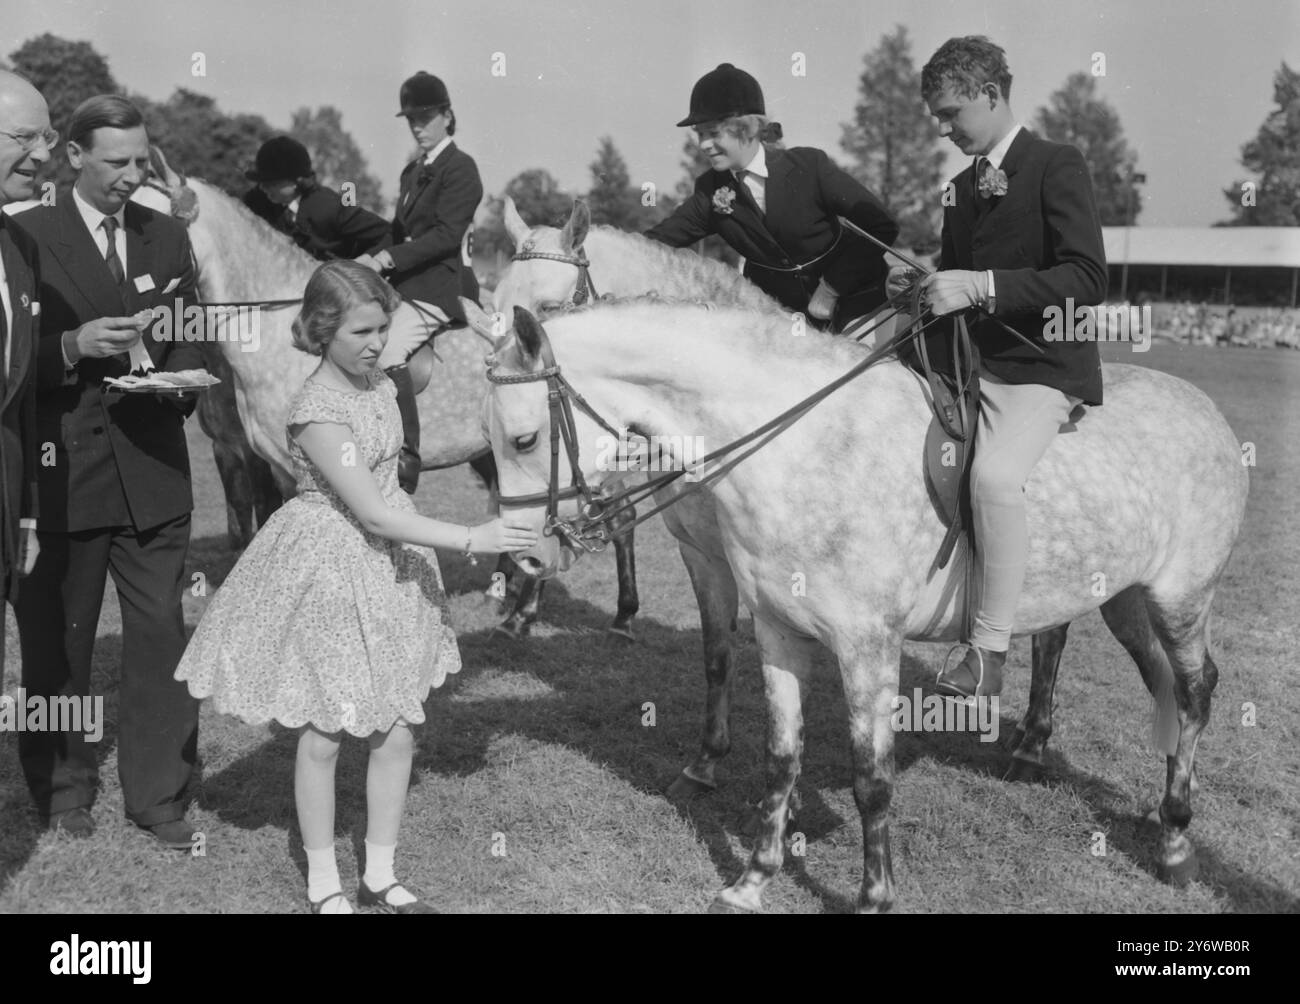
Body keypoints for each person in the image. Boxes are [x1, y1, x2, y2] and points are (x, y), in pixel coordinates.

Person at [174, 260, 537, 914]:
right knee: (328, 729)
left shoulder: (377, 382)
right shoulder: (316, 409)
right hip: (333, 564)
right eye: (362, 332)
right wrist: (473, 539)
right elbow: (369, 511)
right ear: (321, 330)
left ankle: (380, 876)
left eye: (382, 329)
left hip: (391, 564)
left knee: (397, 727)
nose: (376, 344)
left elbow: (427, 385)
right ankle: (322, 881)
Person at [11, 94, 208, 845]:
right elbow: (10, 359)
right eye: (116, 162)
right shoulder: (23, 236)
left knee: (161, 638)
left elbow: (189, 332)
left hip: (154, 472)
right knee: (59, 642)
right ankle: (64, 791)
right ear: (72, 157)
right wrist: (71, 348)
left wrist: (180, 377)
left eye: (141, 162)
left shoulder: (165, 235)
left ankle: (160, 798)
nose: (132, 177)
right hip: (63, 475)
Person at [899, 36, 1106, 701]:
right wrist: (918, 287)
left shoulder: (1057, 164)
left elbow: (1086, 276)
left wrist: (982, 285)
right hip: (968, 365)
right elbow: (951, 274)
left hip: (1040, 368)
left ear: (991, 95)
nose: (944, 127)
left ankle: (987, 652)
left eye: (952, 112)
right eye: (936, 115)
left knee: (993, 478)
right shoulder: (959, 189)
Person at [645, 63, 899, 331]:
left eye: (713, 133)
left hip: (859, 303)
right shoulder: (709, 190)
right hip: (782, 322)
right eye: (700, 134)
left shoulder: (809, 167)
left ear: (748, 128)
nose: (703, 144)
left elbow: (882, 225)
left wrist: (831, 287)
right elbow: (653, 243)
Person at [356, 71, 484, 494]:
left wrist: (390, 257)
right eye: (411, 119)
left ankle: (406, 453)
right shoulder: (412, 172)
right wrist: (359, 260)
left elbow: (446, 236)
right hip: (403, 287)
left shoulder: (462, 169)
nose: (417, 126)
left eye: (425, 118)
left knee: (388, 347)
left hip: (438, 289)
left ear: (447, 117)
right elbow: (397, 230)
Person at [0, 71, 47, 663]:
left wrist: (28, 512)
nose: (42, 156)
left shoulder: (20, 246)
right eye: (24, 137)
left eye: (48, 138)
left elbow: (23, 395)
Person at [242, 136, 388, 261]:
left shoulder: (330, 208)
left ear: (296, 181)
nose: (263, 188)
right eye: (261, 183)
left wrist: (366, 262)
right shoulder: (258, 203)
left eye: (272, 183)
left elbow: (387, 233)